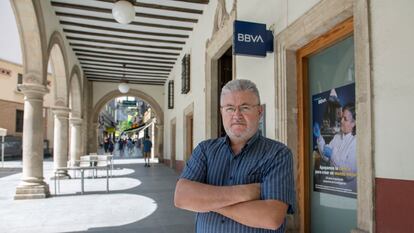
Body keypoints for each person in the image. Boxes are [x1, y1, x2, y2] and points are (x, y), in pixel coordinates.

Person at [174, 79, 295, 233]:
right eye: (230, 108)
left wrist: (206, 201)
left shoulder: (278, 154)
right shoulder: (205, 150)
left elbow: (271, 218)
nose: (236, 115)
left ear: (259, 112)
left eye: (244, 107)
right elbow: (182, 197)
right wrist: (246, 192)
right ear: (221, 112)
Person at [313, 103, 356, 174]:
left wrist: (332, 155)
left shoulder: (355, 141)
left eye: (345, 119)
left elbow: (350, 173)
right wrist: (319, 137)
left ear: (353, 123)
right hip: (332, 181)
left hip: (344, 184)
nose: (341, 121)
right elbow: (325, 157)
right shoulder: (337, 137)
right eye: (341, 117)